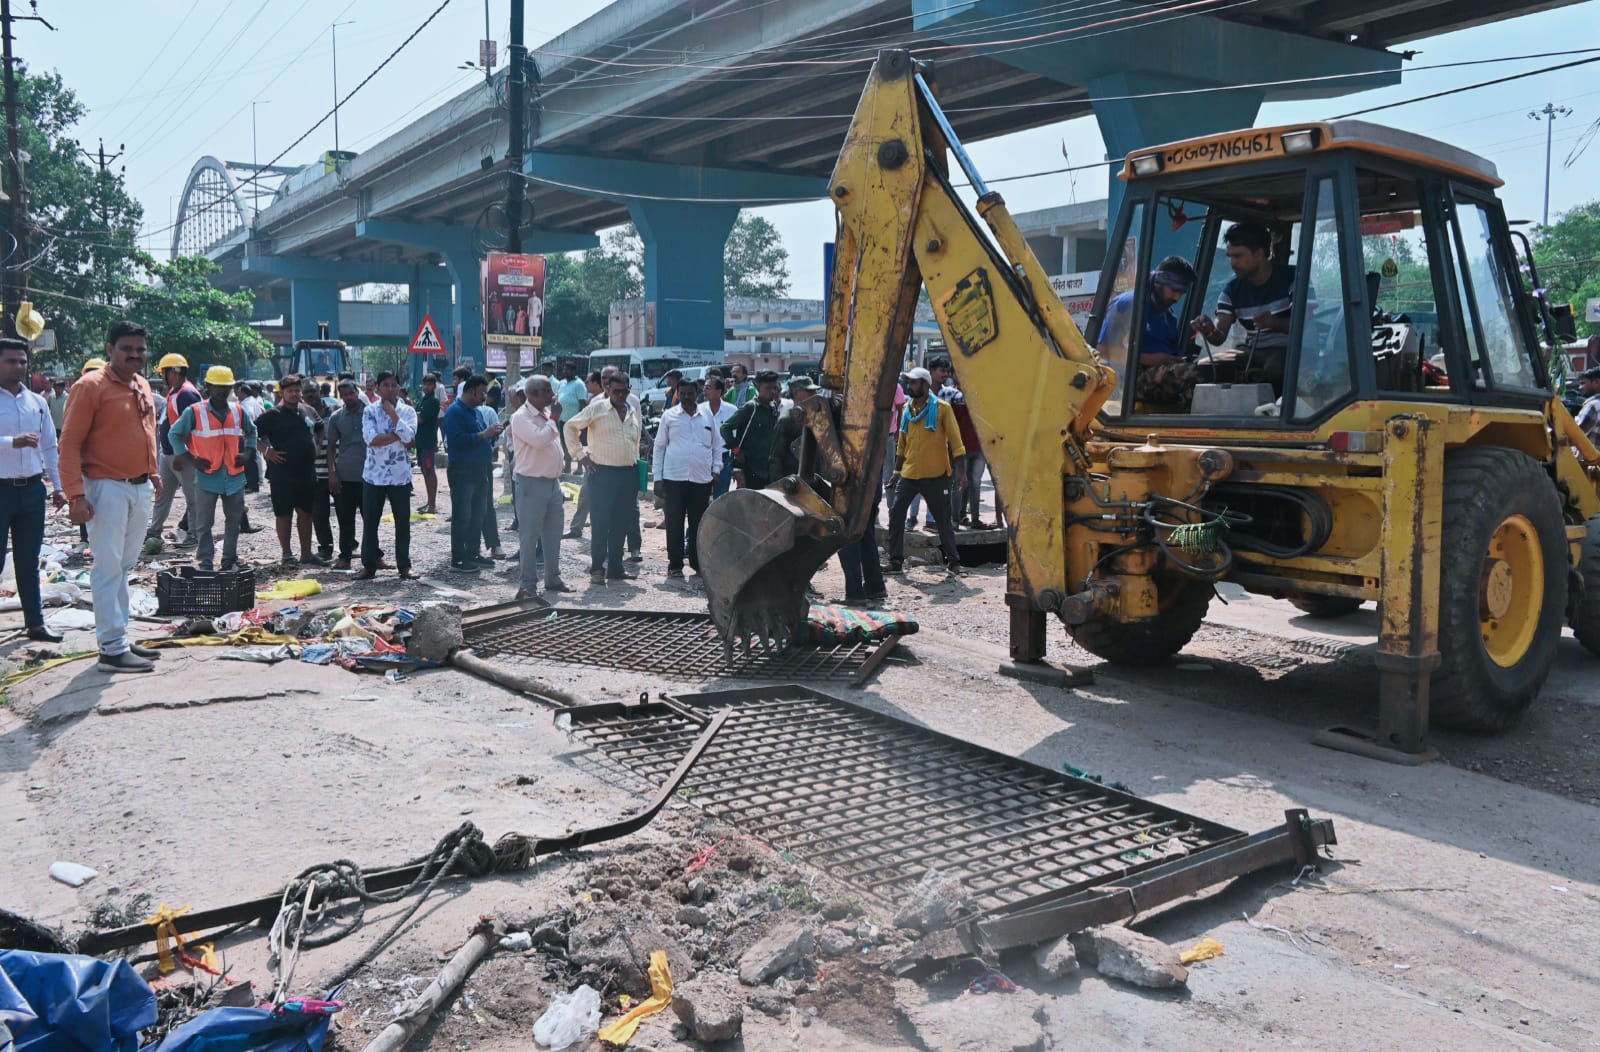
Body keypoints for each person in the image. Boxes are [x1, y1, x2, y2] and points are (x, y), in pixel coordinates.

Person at [59, 321, 164, 673]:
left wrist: (152, 473)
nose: (135, 355)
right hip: (105, 488)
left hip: (140, 487)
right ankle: (111, 649)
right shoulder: (90, 387)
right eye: (127, 349)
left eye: (140, 350)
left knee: (124, 566)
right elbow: (69, 444)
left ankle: (119, 636)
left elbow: (147, 433)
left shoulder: (143, 385)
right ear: (109, 349)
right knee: (107, 567)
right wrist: (75, 496)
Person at [0, 338, 67, 642]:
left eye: (22, 362)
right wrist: (9, 442)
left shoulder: (37, 403)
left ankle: (36, 624)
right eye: (11, 361)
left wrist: (59, 487)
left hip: (31, 490)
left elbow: (50, 447)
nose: (18, 367)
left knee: (28, 560)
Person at [1191, 224, 1301, 391]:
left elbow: (1304, 327)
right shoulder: (1232, 291)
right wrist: (1208, 329)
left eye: (1238, 256)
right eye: (1230, 256)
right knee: (1202, 368)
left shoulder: (1294, 278)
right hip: (1252, 351)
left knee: (1275, 371)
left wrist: (1274, 323)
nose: (1232, 263)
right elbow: (1219, 337)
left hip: (1288, 349)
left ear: (1259, 254)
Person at [169, 365, 257, 572]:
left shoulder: (238, 410)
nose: (221, 391)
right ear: (208, 387)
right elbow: (174, 434)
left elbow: (252, 432)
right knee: (204, 524)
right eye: (217, 387)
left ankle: (228, 560)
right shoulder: (195, 411)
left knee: (234, 521)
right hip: (208, 475)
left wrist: (248, 454)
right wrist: (190, 458)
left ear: (231, 388)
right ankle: (206, 562)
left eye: (225, 387)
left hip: (234, 476)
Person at [886, 366, 965, 576]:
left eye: (913, 382)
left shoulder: (942, 409)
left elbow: (957, 443)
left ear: (925, 384)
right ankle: (895, 560)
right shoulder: (907, 410)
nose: (909, 386)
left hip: (936, 475)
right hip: (909, 474)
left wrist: (962, 473)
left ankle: (954, 562)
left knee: (942, 520)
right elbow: (902, 444)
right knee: (896, 514)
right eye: (909, 382)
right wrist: (896, 472)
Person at [564, 371, 643, 584]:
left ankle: (616, 568)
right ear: (607, 389)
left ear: (629, 390)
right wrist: (581, 457)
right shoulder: (596, 408)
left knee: (621, 523)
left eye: (624, 391)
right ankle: (597, 569)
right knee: (600, 524)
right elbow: (570, 427)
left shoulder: (632, 410)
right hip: (602, 473)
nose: (620, 395)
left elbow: (635, 441)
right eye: (616, 391)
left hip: (628, 474)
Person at [1097, 256, 1200, 406]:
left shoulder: (1169, 316)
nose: (1177, 297)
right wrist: (1150, 359)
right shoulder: (1129, 305)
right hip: (1130, 381)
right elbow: (1103, 351)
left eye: (1182, 292)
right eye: (1174, 290)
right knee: (1194, 375)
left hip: (1162, 377)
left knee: (1211, 371)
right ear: (1159, 281)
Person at [254, 374, 330, 567]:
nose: (294, 394)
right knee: (284, 514)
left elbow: (320, 427)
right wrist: (266, 451)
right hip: (282, 474)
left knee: (306, 513)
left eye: (297, 391)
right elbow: (251, 433)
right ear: (282, 393)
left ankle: (306, 553)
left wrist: (318, 446)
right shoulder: (273, 415)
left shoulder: (307, 410)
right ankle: (287, 554)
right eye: (290, 391)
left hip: (306, 472)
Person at [510, 374, 572, 599]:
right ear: (533, 394)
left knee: (553, 534)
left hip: (552, 483)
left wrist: (552, 418)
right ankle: (527, 585)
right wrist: (555, 418)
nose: (552, 395)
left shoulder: (545, 415)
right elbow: (539, 440)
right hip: (531, 483)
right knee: (529, 536)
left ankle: (552, 578)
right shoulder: (521, 417)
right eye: (547, 391)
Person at [652, 378, 720, 579]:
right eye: (683, 394)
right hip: (674, 477)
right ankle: (674, 565)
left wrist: (716, 469)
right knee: (674, 522)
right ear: (678, 394)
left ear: (697, 393)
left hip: (701, 479)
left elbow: (717, 445)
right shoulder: (669, 416)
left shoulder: (707, 416)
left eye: (690, 393)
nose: (687, 397)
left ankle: (697, 563)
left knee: (698, 523)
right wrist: (657, 478)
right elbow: (659, 447)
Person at [356, 372, 417, 580]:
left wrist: (393, 415)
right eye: (386, 385)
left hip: (400, 476)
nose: (390, 389)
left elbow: (410, 438)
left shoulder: (407, 411)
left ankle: (404, 566)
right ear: (379, 388)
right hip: (374, 475)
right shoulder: (370, 411)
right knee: (370, 522)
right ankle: (369, 566)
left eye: (394, 385)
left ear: (399, 388)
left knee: (403, 523)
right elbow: (371, 439)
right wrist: (397, 435)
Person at [442, 374, 503, 573]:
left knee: (479, 513)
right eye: (482, 393)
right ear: (471, 391)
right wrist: (484, 434)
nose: (484, 397)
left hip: (480, 470)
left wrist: (491, 435)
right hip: (462, 471)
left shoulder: (474, 412)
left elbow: (479, 438)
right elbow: (457, 440)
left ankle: (473, 552)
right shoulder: (455, 412)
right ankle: (458, 558)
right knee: (463, 515)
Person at [144, 352, 201, 553]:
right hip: (168, 454)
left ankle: (194, 535)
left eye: (165, 372)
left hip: (182, 455)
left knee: (193, 497)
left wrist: (181, 453)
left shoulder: (187, 394)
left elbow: (193, 427)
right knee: (162, 495)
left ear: (175, 372)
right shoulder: (175, 392)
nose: (163, 376)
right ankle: (154, 531)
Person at [326, 379, 373, 570]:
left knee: (371, 518)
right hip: (345, 475)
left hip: (369, 476)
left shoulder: (371, 413)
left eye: (351, 393)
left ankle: (374, 555)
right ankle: (345, 556)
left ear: (357, 391)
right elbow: (330, 447)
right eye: (344, 395)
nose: (349, 398)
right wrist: (332, 474)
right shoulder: (337, 417)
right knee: (345, 519)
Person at [939, 369, 989, 529]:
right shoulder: (951, 396)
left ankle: (971, 518)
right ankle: (956, 520)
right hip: (960, 447)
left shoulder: (979, 394)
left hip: (978, 446)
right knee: (960, 484)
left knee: (974, 483)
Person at [719, 370, 785, 491]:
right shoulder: (751, 408)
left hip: (768, 469)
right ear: (758, 388)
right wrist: (737, 451)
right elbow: (725, 428)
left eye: (775, 388)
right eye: (768, 388)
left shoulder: (773, 408)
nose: (773, 391)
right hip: (750, 469)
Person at [767, 376, 817, 482]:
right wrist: (778, 485)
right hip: (792, 479)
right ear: (796, 393)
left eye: (814, 391)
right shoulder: (787, 420)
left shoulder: (817, 417)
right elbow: (776, 456)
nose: (814, 394)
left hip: (812, 477)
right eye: (809, 391)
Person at [704, 375, 737, 497]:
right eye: (704, 387)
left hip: (724, 459)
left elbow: (735, 437)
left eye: (708, 388)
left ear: (719, 392)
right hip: (704, 459)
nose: (704, 391)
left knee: (721, 497)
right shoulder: (699, 410)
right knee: (701, 496)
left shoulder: (732, 410)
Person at [414, 372, 441, 514]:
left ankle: (432, 505)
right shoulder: (423, 399)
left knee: (430, 471)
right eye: (424, 384)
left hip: (428, 442)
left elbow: (420, 418)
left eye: (429, 384)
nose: (426, 387)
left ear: (434, 386)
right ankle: (429, 502)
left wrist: (413, 415)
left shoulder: (433, 401)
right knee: (425, 471)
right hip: (420, 442)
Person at [556, 361, 587, 472]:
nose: (565, 371)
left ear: (574, 371)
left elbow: (583, 403)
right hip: (562, 419)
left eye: (568, 369)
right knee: (565, 443)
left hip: (575, 421)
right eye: (564, 369)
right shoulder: (562, 383)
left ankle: (579, 467)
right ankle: (567, 466)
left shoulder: (579, 384)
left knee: (577, 443)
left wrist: (581, 420)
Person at [1575, 363, 1600, 444]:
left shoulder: (1594, 405)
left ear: (1596, 382)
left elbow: (1576, 434)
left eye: (1583, 383)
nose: (1580, 387)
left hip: (1589, 456)